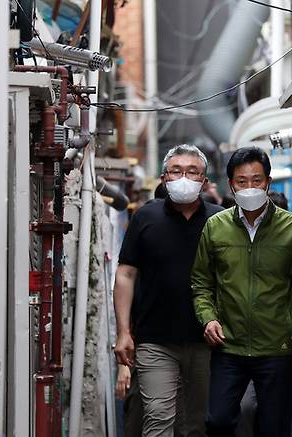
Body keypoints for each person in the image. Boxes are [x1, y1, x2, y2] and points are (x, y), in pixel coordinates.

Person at [191, 146, 292, 437]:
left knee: (273, 427)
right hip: (229, 347)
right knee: (218, 421)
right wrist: (207, 318)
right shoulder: (215, 227)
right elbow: (201, 282)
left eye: (256, 180)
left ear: (268, 183)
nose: (250, 187)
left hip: (276, 348)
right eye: (242, 181)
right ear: (231, 185)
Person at [114, 144, 223, 437]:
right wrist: (123, 332)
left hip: (209, 343)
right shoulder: (145, 218)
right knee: (158, 419)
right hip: (155, 342)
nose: (184, 177)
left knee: (197, 424)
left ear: (204, 181)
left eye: (192, 171)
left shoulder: (222, 220)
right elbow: (125, 274)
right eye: (176, 170)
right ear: (164, 178)